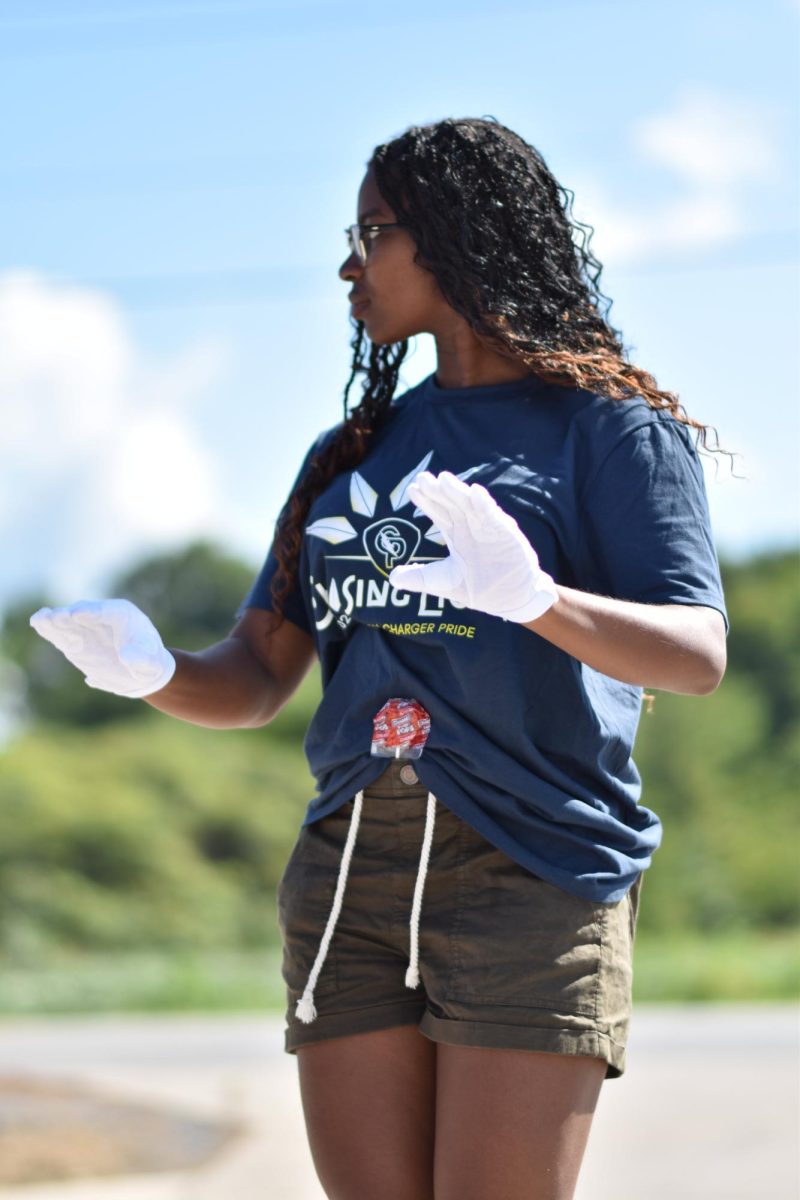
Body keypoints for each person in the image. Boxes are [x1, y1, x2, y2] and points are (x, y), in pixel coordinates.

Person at [30, 117, 728, 1200]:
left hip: (531, 864)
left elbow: (693, 654)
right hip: (349, 865)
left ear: (459, 235)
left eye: (372, 234)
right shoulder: (349, 456)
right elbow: (257, 675)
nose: (347, 265)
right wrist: (151, 670)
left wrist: (535, 600)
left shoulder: (608, 431)